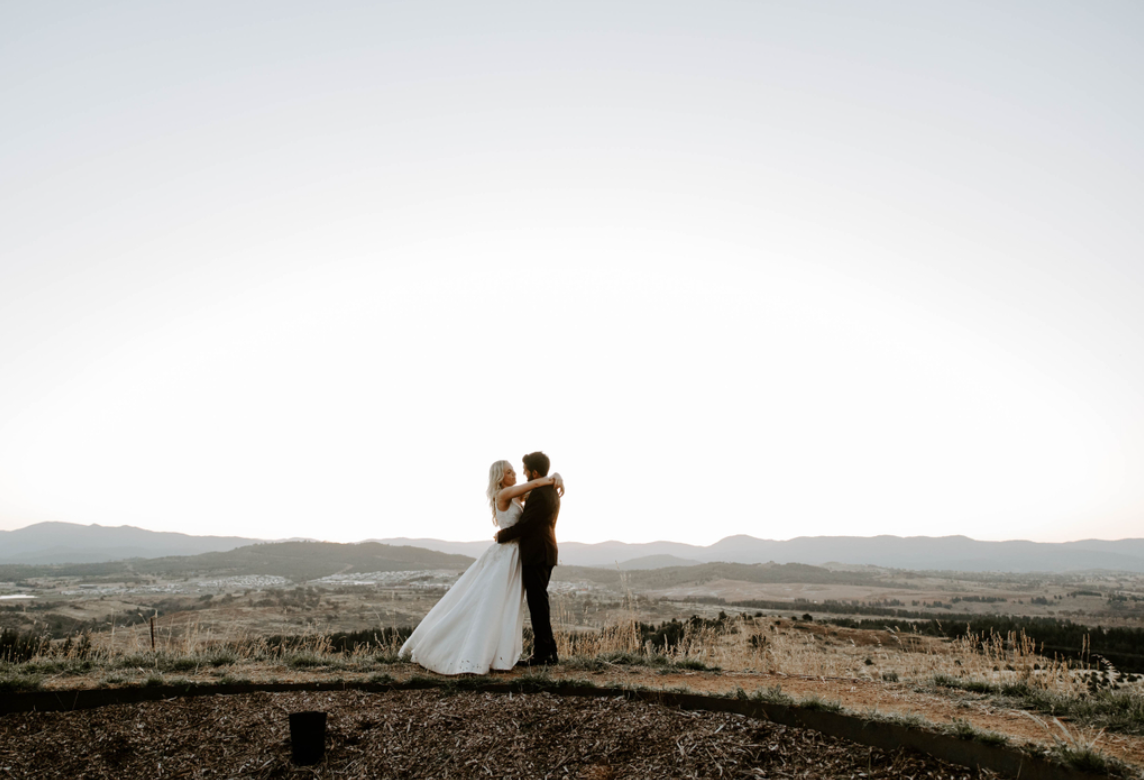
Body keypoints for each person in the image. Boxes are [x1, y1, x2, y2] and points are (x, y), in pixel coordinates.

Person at [399, 456, 563, 675]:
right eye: (509, 472)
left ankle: (514, 651)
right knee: (490, 601)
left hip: (519, 555)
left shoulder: (517, 495)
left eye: (516, 470)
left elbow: (531, 496)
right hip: (508, 555)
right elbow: (533, 486)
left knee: (509, 603)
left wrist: (555, 477)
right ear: (499, 477)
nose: (515, 474)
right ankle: (478, 650)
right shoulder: (504, 494)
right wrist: (553, 478)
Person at [495, 451, 561, 666]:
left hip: (537, 553)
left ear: (533, 472)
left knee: (537, 604)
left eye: (524, 470)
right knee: (539, 603)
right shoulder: (549, 490)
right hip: (545, 551)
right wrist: (556, 476)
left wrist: (501, 535)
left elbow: (527, 525)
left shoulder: (541, 493)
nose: (522, 474)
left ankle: (542, 654)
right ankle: (549, 652)